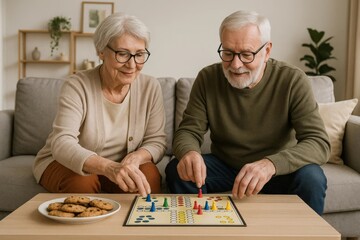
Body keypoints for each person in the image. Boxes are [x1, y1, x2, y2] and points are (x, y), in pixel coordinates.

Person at [165, 10, 330, 215]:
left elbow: (318, 142)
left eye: (246, 54)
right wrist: (189, 153)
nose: (235, 64)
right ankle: (201, 231)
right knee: (178, 170)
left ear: (267, 51)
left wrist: (270, 164)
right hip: (227, 167)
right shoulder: (208, 78)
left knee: (312, 177)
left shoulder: (292, 80)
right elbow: (188, 131)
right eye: (228, 53)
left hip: (277, 171)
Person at [33, 12, 166, 197]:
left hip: (120, 166)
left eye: (140, 54)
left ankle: (137, 226)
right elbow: (62, 142)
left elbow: (157, 140)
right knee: (83, 181)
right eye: (123, 54)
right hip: (67, 163)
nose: (132, 64)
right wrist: (108, 167)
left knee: (148, 175)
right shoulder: (77, 85)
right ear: (101, 51)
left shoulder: (150, 87)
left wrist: (136, 157)